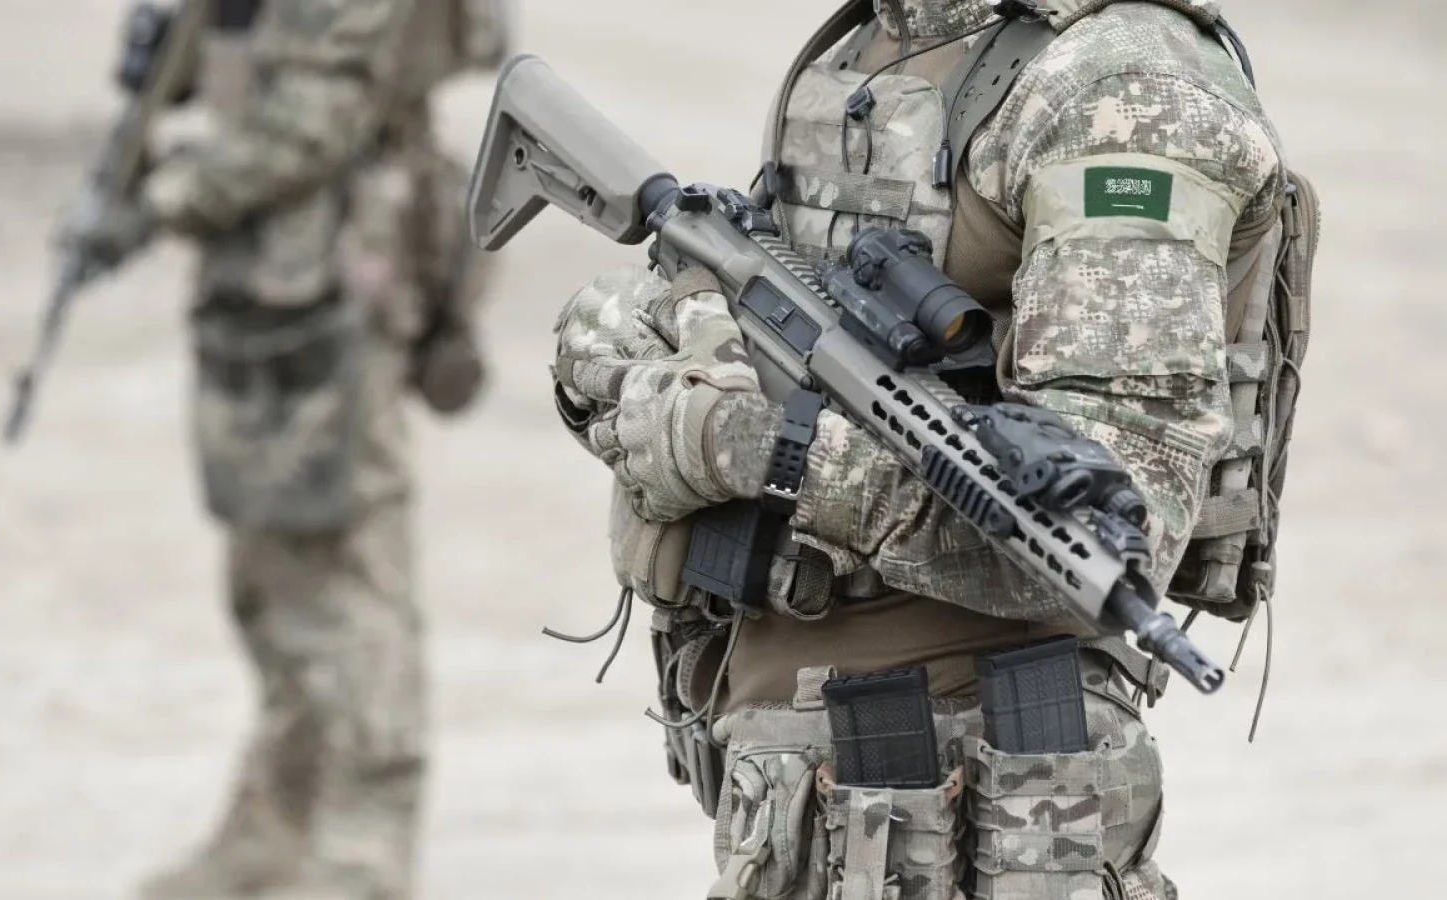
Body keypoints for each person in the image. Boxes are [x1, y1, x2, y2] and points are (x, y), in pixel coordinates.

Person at [549, 1, 1311, 898]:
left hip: (984, 801)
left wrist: (759, 448)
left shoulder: (1124, 87)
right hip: (791, 792)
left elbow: (1118, 525)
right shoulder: (886, 35)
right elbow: (742, 303)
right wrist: (646, 345)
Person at [67, 1, 508, 897]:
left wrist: (161, 201)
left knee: (352, 563)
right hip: (266, 268)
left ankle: (367, 840)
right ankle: (279, 816)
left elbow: (317, 120)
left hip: (342, 265)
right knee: (271, 569)